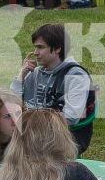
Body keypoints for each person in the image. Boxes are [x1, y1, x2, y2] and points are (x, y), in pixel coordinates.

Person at [10, 22, 96, 153]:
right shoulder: (37, 72)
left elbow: (71, 118)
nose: (35, 52)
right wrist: (20, 77)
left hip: (65, 136)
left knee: (14, 148)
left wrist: (34, 123)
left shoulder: (76, 75)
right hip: (36, 132)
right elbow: (12, 105)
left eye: (40, 47)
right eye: (35, 47)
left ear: (57, 49)